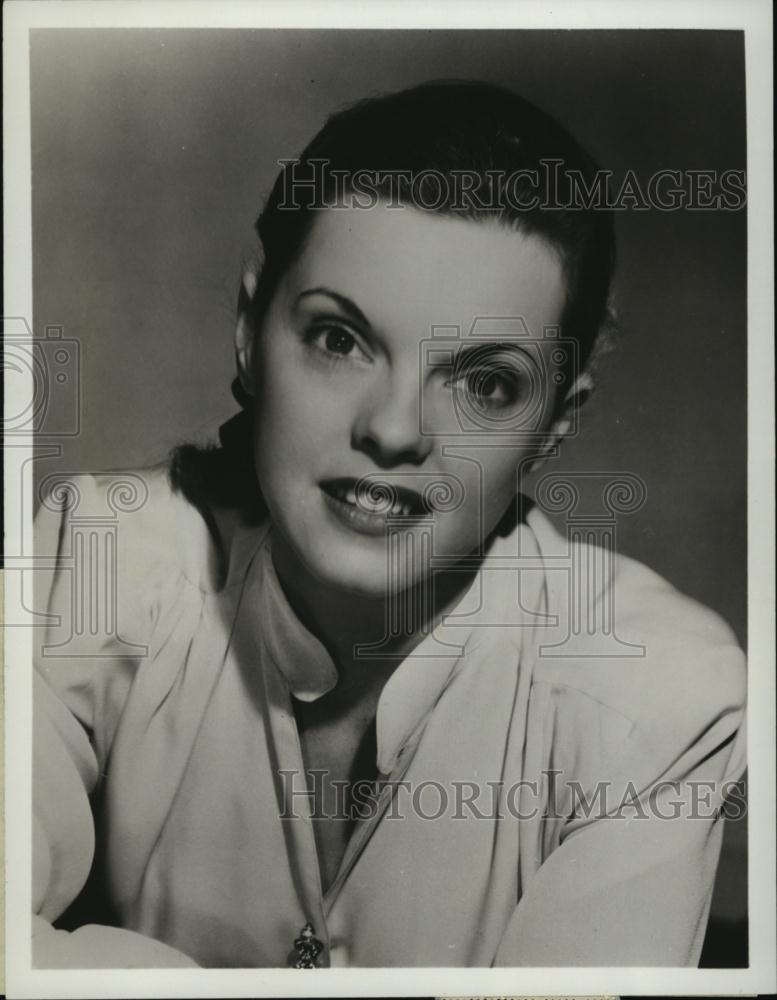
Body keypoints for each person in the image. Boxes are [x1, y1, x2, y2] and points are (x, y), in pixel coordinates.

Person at [32, 80, 746, 969]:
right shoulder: (103, 562)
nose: (394, 429)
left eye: (485, 384)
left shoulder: (655, 700)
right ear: (250, 334)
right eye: (340, 340)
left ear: (554, 424)